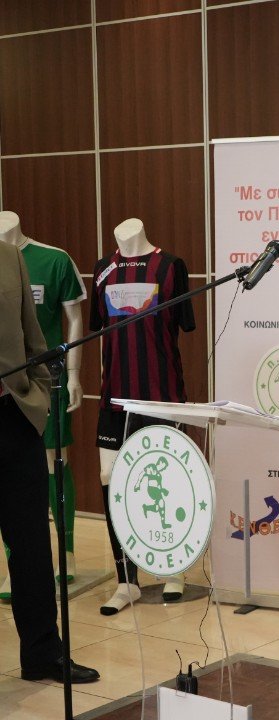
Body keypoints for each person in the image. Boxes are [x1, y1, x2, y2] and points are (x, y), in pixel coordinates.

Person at [0, 241, 99, 684]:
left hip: (13, 416)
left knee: (32, 545)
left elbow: (32, 336)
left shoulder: (9, 258)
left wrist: (36, 395)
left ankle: (42, 654)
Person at [92, 218, 195, 614]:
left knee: (168, 479)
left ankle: (174, 570)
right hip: (113, 398)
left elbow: (184, 325)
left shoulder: (170, 266)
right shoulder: (102, 269)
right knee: (110, 478)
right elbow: (99, 327)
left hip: (161, 396)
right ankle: (126, 580)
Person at [0, 211, 87, 597]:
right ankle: (13, 563)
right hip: (11, 392)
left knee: (55, 461)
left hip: (38, 385)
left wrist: (73, 375)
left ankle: (65, 551)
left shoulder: (53, 259)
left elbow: (73, 319)